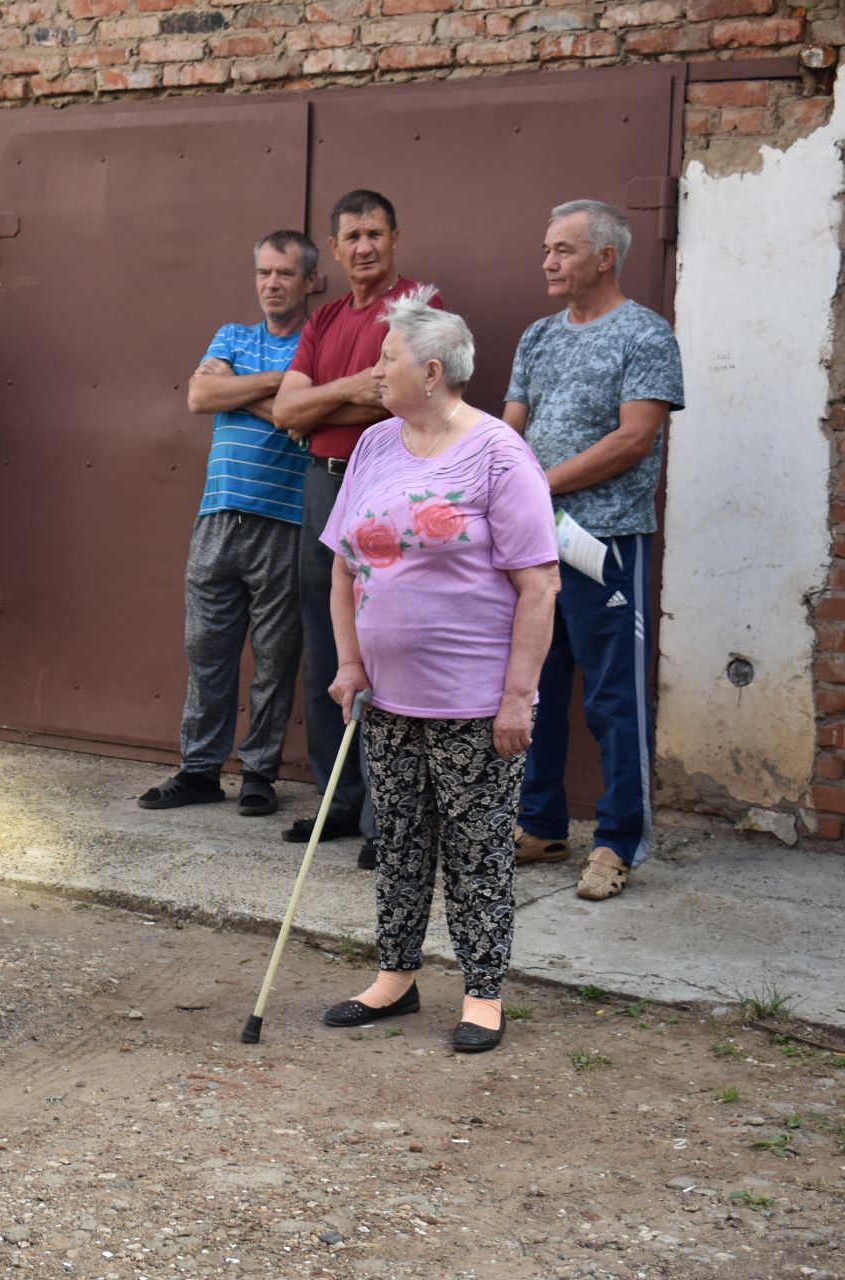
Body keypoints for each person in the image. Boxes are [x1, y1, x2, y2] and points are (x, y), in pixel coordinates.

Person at [321, 289, 559, 1054]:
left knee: (478, 849)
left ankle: (482, 991)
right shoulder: (375, 445)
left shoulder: (497, 452)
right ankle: (395, 975)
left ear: (430, 371)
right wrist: (350, 660)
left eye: (385, 358)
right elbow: (344, 564)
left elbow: (540, 583)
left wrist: (517, 698)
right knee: (399, 840)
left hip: (474, 701)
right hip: (388, 697)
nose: (373, 370)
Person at [504, 200, 684, 901]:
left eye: (563, 250)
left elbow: (634, 438)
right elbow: (511, 429)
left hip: (605, 542)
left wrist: (539, 484)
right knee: (535, 687)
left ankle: (618, 841)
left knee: (613, 696)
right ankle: (542, 823)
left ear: (604, 258)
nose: (548, 262)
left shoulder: (646, 334)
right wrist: (508, 491)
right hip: (534, 546)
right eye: (547, 249)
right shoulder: (538, 336)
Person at [274, 189, 442, 869]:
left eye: (376, 232)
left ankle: (387, 816)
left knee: (381, 647)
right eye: (352, 235)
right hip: (323, 482)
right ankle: (337, 799)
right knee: (327, 643)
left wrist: (323, 399)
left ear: (395, 238)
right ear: (335, 249)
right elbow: (289, 410)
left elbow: (407, 398)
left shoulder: (419, 310)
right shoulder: (327, 319)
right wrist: (348, 389)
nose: (365, 245)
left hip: (386, 485)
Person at [138, 231, 317, 819]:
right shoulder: (233, 336)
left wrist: (236, 391)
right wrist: (280, 388)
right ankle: (200, 770)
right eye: (264, 272)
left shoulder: (317, 347)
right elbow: (200, 394)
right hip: (218, 518)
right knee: (206, 651)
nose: (271, 283)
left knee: (274, 657)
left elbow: (301, 424)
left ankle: (260, 773)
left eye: (285, 273)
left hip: (285, 522)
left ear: (309, 280)